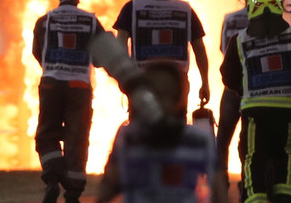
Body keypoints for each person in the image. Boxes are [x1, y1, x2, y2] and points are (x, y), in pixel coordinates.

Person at [220, 0, 291, 203]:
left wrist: (243, 89)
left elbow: (227, 76)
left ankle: (255, 198)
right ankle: (285, 196)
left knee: (252, 157)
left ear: (251, 11)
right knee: (289, 154)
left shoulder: (239, 40)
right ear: (278, 9)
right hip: (288, 111)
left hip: (255, 112)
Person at [97, 62, 228, 203]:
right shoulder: (127, 137)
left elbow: (219, 193)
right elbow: (108, 187)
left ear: (178, 98)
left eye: (166, 94)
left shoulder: (201, 140)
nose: (159, 102)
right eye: (154, 94)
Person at [32, 0, 104, 203]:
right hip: (79, 87)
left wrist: (54, 68)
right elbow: (101, 58)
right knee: (77, 138)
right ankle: (73, 193)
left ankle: (53, 179)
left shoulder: (44, 21)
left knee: (47, 133)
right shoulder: (91, 22)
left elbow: (37, 52)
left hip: (51, 84)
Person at [113, 0, 210, 115]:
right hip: (177, 82)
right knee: (175, 130)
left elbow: (120, 44)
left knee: (142, 131)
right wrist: (205, 82)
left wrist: (124, 76)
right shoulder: (185, 9)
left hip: (142, 80)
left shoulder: (131, 8)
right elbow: (199, 47)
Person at [217, 0, 265, 184]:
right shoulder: (270, 21)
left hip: (233, 86)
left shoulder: (231, 19)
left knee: (223, 137)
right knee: (252, 138)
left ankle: (220, 180)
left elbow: (223, 49)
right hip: (260, 86)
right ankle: (249, 179)